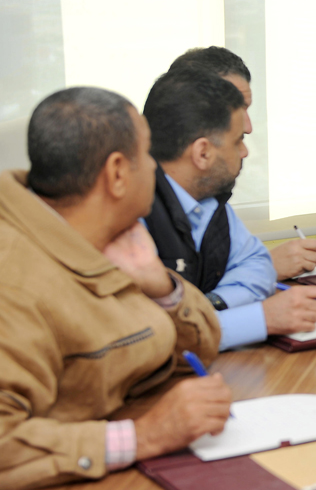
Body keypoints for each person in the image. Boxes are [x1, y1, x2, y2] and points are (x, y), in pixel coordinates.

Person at [0, 87, 231, 489]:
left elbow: (200, 348)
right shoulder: (13, 279)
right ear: (118, 173)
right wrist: (144, 437)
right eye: (147, 154)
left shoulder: (101, 236)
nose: (156, 168)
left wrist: (159, 285)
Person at [142, 68, 316, 351]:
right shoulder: (132, 213)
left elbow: (257, 265)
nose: (245, 152)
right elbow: (147, 336)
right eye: (238, 140)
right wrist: (260, 319)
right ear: (202, 153)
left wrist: (211, 306)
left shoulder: (207, 198)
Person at [169, 46, 316, 280]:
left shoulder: (211, 191)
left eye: (246, 109)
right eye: (235, 109)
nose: (248, 126)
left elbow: (249, 260)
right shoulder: (141, 206)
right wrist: (265, 270)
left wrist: (263, 267)